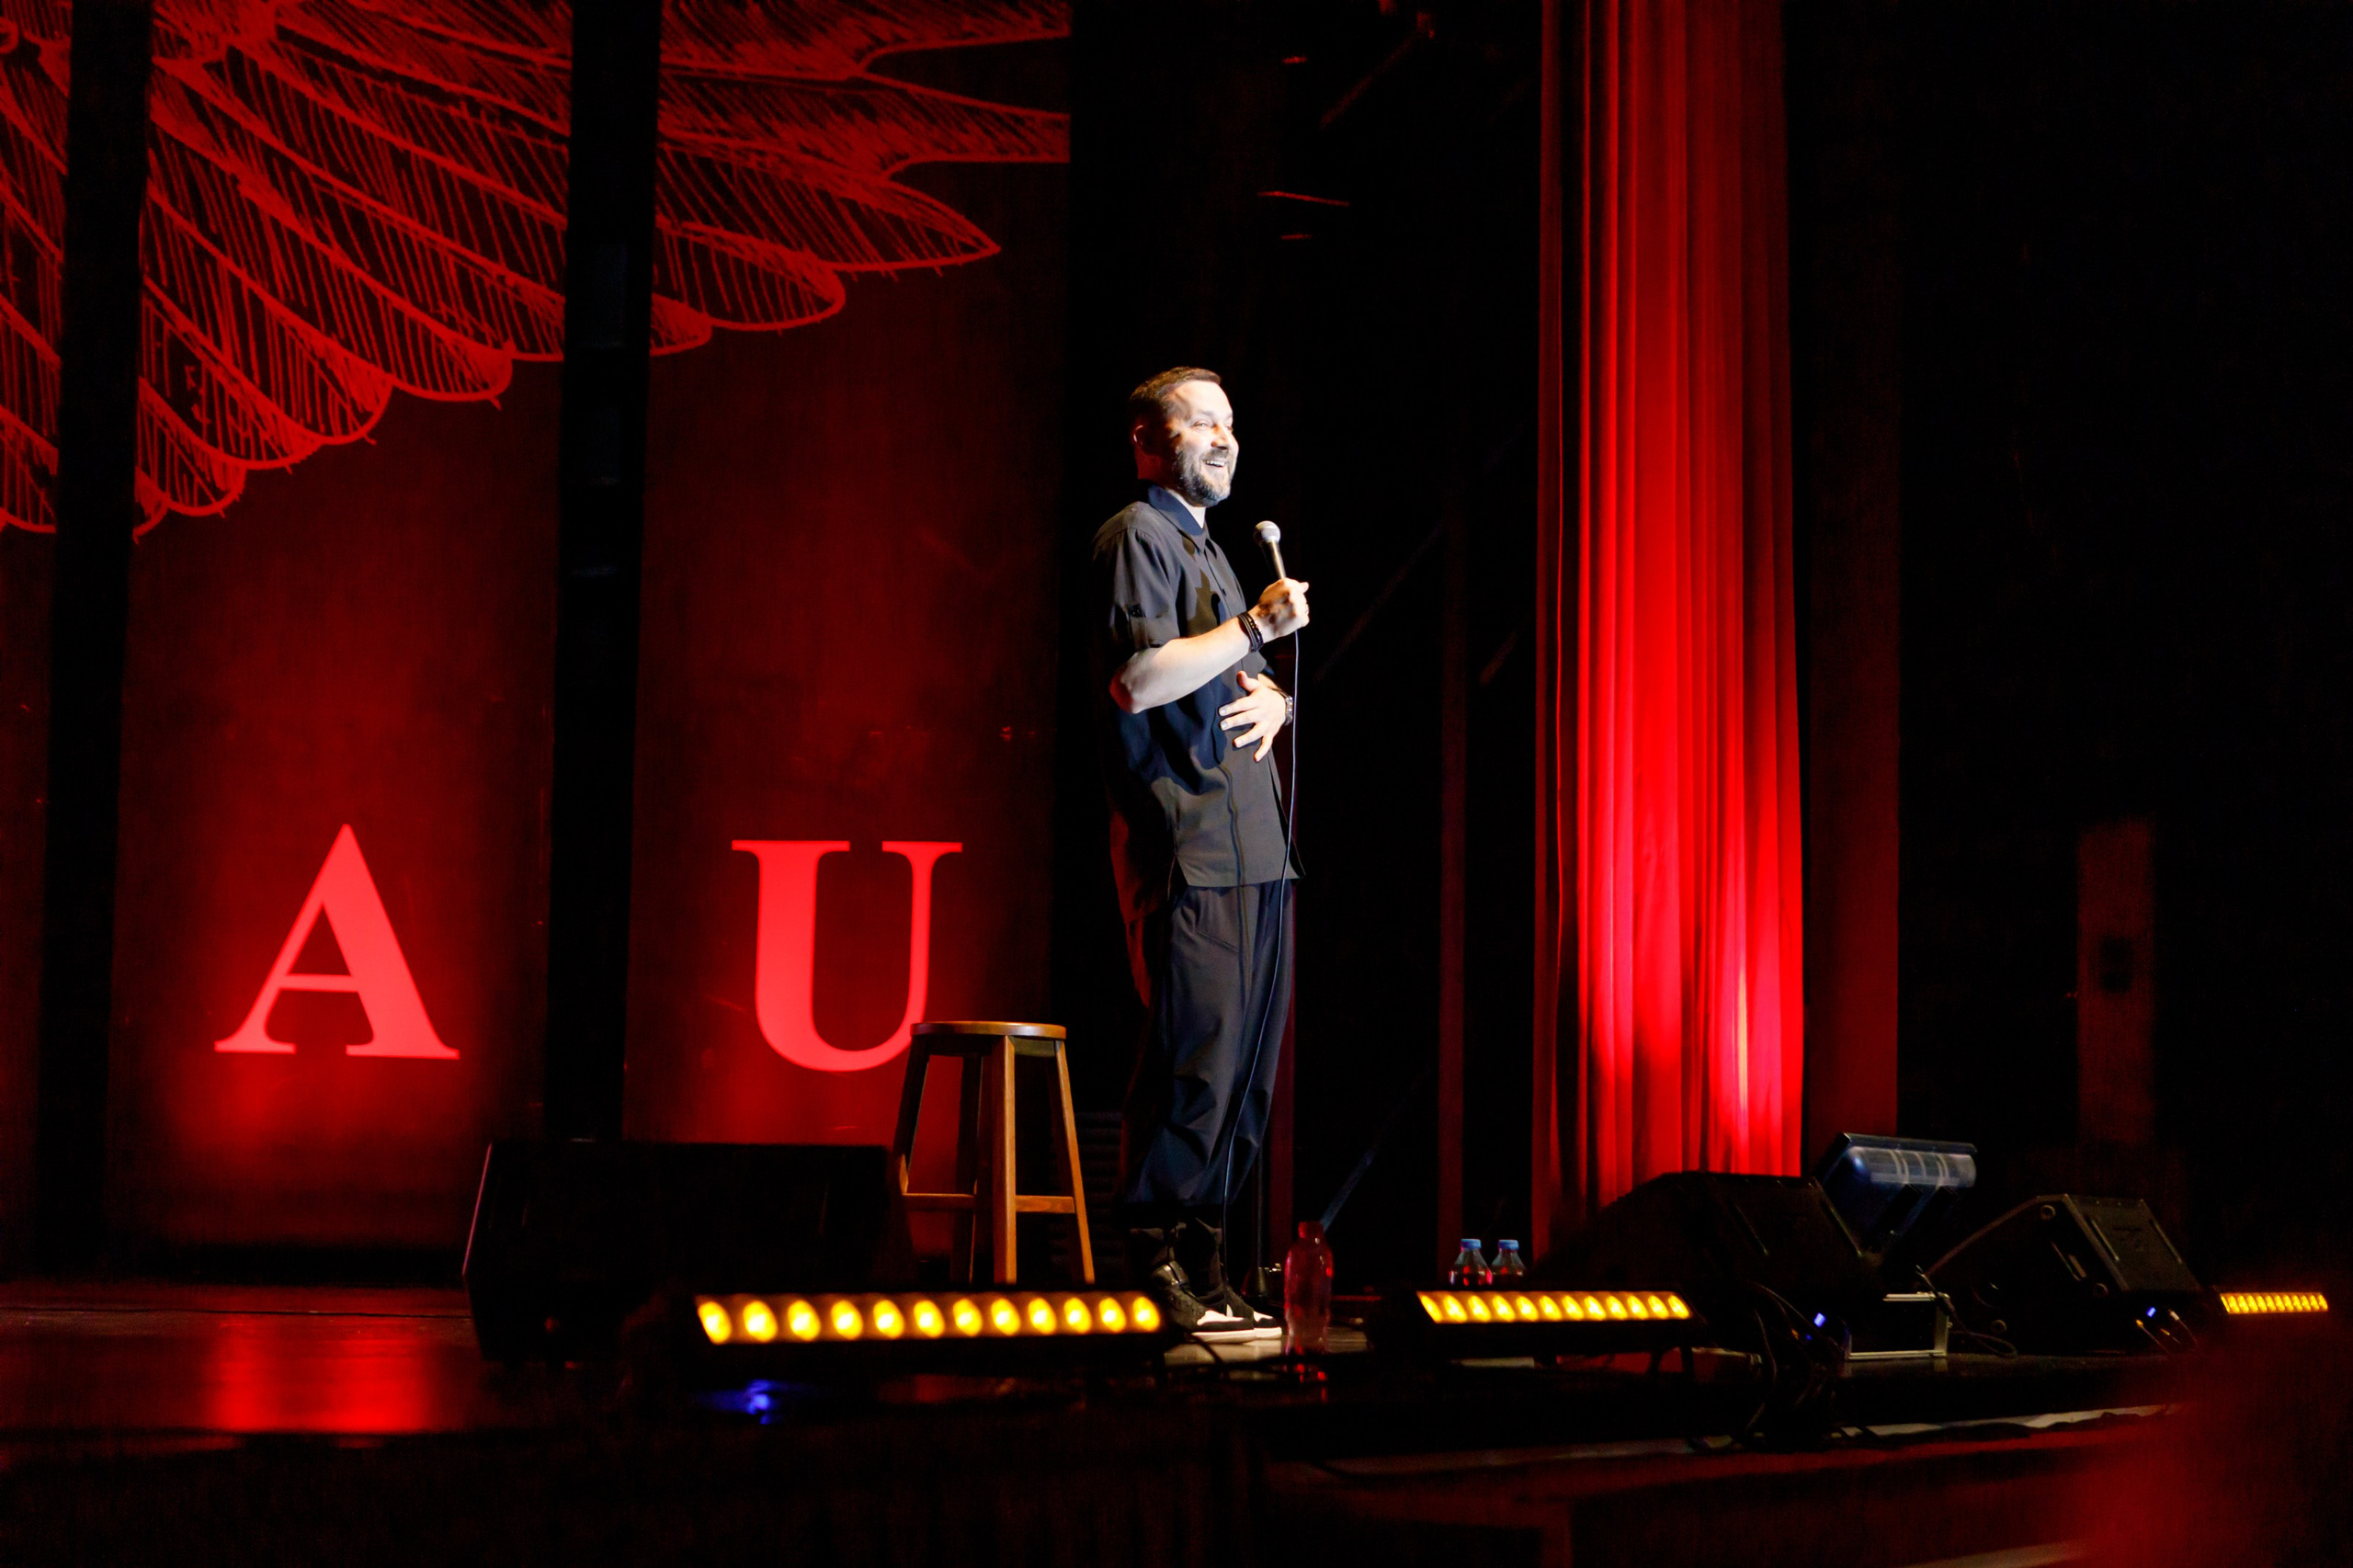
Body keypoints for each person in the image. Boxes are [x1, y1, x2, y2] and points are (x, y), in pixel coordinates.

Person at [1090, 367, 1309, 1336]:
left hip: (1256, 849)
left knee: (1250, 1071)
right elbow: (1139, 679)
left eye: (1232, 422)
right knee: (1198, 1059)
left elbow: (1233, 673)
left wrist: (1281, 692)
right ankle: (1151, 1252)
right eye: (1200, 423)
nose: (1224, 439)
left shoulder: (1211, 550)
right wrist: (1255, 625)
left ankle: (1208, 1248)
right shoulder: (1138, 536)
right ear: (1150, 440)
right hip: (1190, 845)